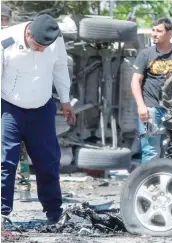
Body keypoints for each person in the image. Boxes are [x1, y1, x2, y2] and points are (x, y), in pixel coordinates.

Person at [1, 14, 76, 225]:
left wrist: (65, 100)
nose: (42, 50)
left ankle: (53, 211)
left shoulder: (55, 38)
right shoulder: (6, 40)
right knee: (5, 161)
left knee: (48, 161)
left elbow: (60, 67)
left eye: (46, 46)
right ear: (28, 33)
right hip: (9, 108)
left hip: (42, 108)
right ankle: (2, 212)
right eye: (38, 45)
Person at [131, 17, 172, 164]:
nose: (154, 34)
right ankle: (149, 185)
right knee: (151, 151)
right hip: (151, 108)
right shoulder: (145, 54)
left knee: (171, 150)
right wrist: (141, 106)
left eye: (159, 31)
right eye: (153, 30)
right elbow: (135, 81)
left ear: (170, 33)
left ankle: (165, 184)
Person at [1, 3, 33, 203]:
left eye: (4, 18)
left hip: (13, 100)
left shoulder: (15, 40)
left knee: (18, 148)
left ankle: (24, 187)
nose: (2, 22)